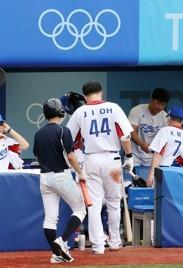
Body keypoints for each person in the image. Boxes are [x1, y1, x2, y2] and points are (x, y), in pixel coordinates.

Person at [66, 82, 134, 255]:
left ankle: (97, 246)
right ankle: (115, 241)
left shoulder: (80, 112)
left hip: (91, 159)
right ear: (100, 92)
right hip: (113, 159)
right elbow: (125, 135)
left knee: (94, 204)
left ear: (85, 95)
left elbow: (68, 139)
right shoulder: (113, 107)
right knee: (113, 201)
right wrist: (130, 156)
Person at [33, 98, 87, 264]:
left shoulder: (39, 133)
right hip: (61, 175)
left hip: (44, 177)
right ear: (61, 112)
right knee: (80, 209)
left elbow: (37, 154)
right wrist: (80, 172)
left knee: (50, 218)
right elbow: (70, 156)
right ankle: (62, 240)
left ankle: (56, 254)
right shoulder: (63, 130)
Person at [146, 105, 183, 186]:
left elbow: (158, 153)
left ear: (169, 118)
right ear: (182, 121)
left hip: (165, 171)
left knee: (161, 197)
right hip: (181, 173)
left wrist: (151, 175)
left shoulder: (165, 130)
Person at [127, 88, 170, 167]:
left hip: (154, 159)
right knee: (134, 179)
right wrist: (142, 144)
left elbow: (167, 139)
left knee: (152, 179)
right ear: (151, 100)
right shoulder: (137, 110)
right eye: (158, 103)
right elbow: (131, 132)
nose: (160, 107)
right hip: (135, 157)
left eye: (163, 105)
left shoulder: (165, 117)